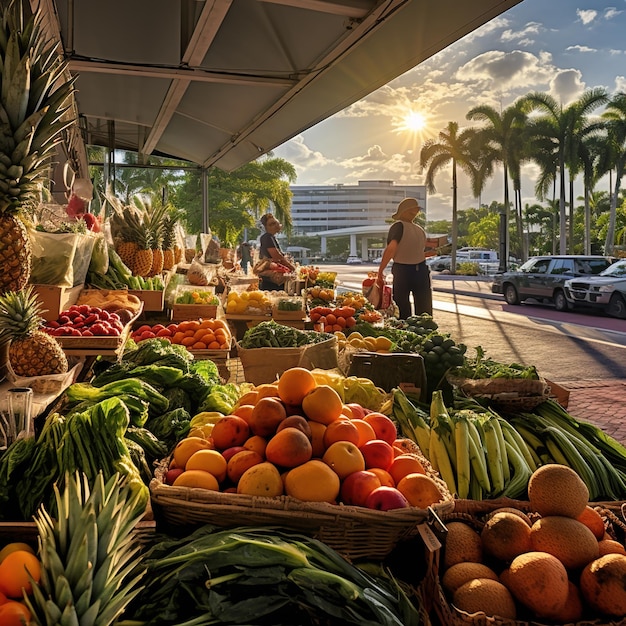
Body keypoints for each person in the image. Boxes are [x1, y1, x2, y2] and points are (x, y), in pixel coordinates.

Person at [377, 197, 432, 319]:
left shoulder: (398, 226)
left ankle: (406, 333)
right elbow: (420, 253)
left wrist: (380, 271)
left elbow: (391, 249)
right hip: (422, 271)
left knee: (402, 308)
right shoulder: (420, 230)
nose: (415, 213)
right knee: (424, 309)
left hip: (403, 270)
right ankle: (426, 332)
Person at [258, 213, 295, 290]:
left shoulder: (271, 237)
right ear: (266, 227)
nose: (275, 225)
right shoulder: (267, 237)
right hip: (272, 280)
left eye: (275, 222)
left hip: (272, 279)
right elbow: (277, 256)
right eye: (271, 224)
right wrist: (292, 268)